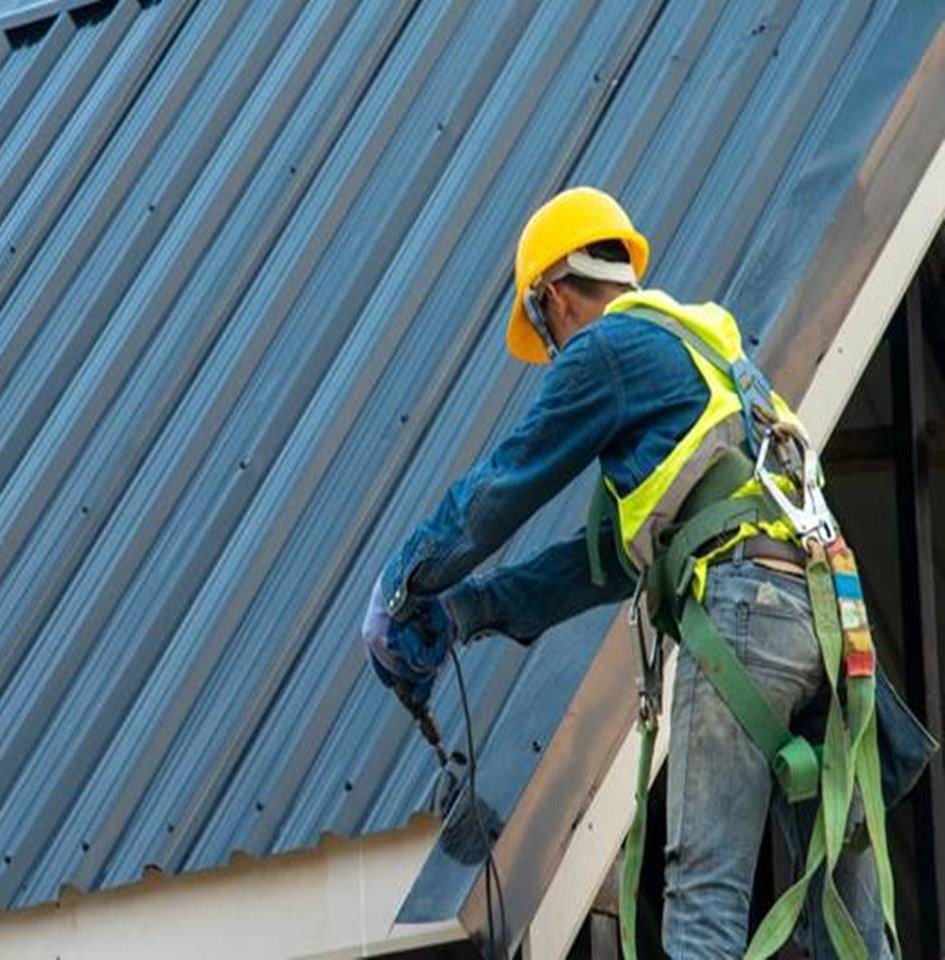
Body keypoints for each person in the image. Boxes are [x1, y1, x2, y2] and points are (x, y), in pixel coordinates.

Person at [361, 187, 930, 958]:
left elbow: (500, 490)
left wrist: (405, 586)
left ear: (553, 297)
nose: (556, 359)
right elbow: (599, 565)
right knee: (848, 922)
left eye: (546, 337)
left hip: (742, 610)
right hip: (826, 620)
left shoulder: (606, 352)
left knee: (703, 898)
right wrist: (468, 611)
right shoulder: (706, 357)